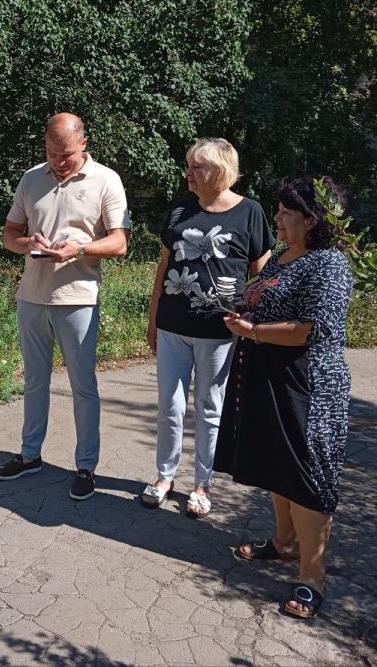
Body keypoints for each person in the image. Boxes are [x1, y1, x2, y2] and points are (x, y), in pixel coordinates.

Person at [214, 176, 353, 620]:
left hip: (308, 384)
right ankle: (285, 543)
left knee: (308, 476)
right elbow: (270, 304)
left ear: (312, 219)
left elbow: (313, 330)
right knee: (278, 463)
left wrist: (252, 331)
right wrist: (248, 314)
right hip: (270, 376)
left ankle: (313, 576)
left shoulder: (328, 265)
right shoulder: (284, 258)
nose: (276, 217)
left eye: (286, 212)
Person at [0, 112, 130, 500]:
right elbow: (9, 235)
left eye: (66, 153)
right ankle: (30, 454)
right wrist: (29, 246)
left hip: (78, 299)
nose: (59, 160)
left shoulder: (106, 180)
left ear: (83, 144)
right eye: (52, 152)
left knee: (82, 386)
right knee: (35, 382)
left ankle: (86, 466)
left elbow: (120, 243)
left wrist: (81, 248)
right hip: (32, 297)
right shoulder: (31, 178)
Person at [140, 138, 274, 517]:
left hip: (219, 333)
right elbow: (164, 267)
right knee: (170, 406)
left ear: (219, 172)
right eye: (190, 166)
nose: (189, 173)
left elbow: (261, 274)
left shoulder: (250, 212)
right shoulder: (180, 210)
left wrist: (253, 322)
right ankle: (164, 477)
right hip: (173, 326)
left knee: (210, 407)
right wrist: (152, 321)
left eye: (197, 167)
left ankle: (202, 483)